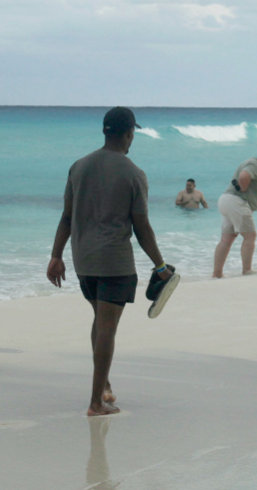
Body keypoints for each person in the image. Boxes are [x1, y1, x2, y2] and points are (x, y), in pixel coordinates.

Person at [46, 107, 174, 417]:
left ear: (106, 132)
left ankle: (103, 386)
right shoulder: (133, 173)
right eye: (133, 134)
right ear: (129, 133)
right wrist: (161, 267)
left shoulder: (78, 167)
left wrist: (56, 256)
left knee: (100, 321)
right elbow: (141, 228)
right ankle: (95, 402)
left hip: (83, 259)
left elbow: (66, 217)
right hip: (114, 261)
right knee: (107, 329)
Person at [213, 152, 257, 278]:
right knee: (250, 236)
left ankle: (217, 274)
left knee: (227, 238)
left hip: (227, 200)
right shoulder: (254, 164)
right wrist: (243, 189)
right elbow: (243, 176)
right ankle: (247, 270)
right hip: (237, 201)